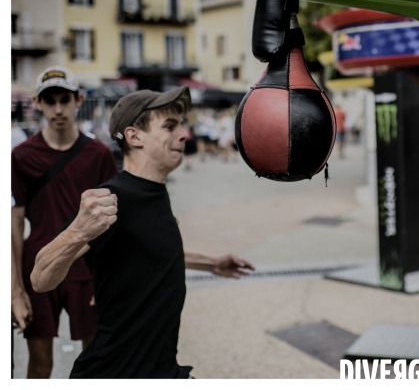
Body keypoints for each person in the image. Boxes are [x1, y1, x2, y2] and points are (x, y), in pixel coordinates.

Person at [30, 86, 255, 378]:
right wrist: (77, 231)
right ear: (135, 136)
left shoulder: (154, 190)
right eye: (170, 126)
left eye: (181, 126)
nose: (184, 135)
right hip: (117, 372)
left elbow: (147, 249)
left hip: (161, 369)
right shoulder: (112, 198)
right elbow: (40, 278)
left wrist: (211, 264)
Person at [11, 66, 118, 378]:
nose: (58, 109)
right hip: (38, 268)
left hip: (88, 271)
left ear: (77, 100)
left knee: (94, 362)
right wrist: (15, 290)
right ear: (38, 103)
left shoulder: (99, 154)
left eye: (64, 100)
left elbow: (112, 220)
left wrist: (109, 280)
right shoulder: (21, 156)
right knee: (41, 365)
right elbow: (14, 225)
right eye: (50, 101)